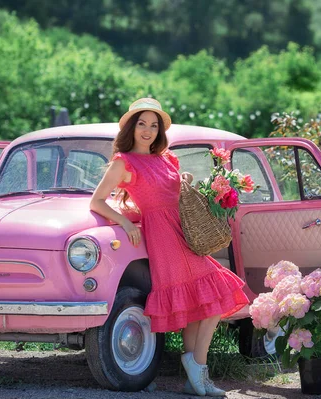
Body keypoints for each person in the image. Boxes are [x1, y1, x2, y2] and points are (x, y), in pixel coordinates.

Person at [90, 98, 249, 397]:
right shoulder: (124, 161)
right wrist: (124, 223)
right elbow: (96, 201)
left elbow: (171, 188)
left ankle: (194, 379)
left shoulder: (166, 158)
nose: (148, 131)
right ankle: (197, 369)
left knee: (199, 304)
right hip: (162, 235)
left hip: (183, 230)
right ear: (132, 126)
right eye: (142, 124)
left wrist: (185, 180)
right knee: (214, 293)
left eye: (154, 125)